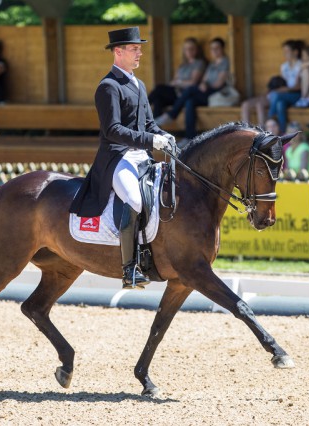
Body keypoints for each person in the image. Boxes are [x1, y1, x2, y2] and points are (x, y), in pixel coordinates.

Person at [69, 27, 176, 290]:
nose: (139, 52)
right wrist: (151, 140)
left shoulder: (138, 84)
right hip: (117, 157)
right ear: (118, 51)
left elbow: (149, 124)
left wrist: (165, 136)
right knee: (135, 199)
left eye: (139, 47)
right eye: (134, 48)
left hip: (142, 157)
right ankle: (130, 268)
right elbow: (113, 130)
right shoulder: (108, 86)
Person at [154, 37, 231, 142]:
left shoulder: (225, 62)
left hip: (215, 94)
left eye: (217, 48)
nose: (214, 51)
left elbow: (219, 83)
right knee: (189, 101)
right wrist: (204, 83)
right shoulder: (212, 64)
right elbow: (204, 80)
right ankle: (189, 136)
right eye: (212, 48)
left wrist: (206, 85)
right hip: (206, 92)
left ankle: (172, 114)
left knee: (190, 89)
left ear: (222, 48)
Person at [241, 39, 302, 127]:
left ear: (295, 52)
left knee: (273, 97)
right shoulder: (284, 66)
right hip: (280, 93)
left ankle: (268, 121)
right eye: (284, 51)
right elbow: (281, 83)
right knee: (248, 104)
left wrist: (284, 89)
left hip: (294, 94)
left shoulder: (301, 65)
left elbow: (300, 86)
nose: (284, 53)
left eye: (287, 51)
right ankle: (248, 132)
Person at [148, 37, 206, 117]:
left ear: (196, 50)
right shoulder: (182, 65)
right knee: (158, 99)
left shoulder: (199, 63)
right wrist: (178, 82)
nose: (189, 51)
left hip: (183, 95)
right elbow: (173, 82)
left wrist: (179, 82)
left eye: (191, 48)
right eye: (186, 49)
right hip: (175, 92)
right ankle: (153, 128)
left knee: (159, 88)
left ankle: (140, 109)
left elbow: (193, 82)